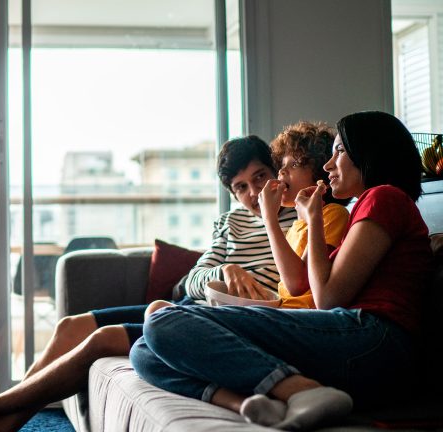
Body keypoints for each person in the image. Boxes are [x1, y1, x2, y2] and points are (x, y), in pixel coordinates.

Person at [0, 135, 298, 432]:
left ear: (275, 172)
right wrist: (220, 273)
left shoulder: (298, 219)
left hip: (219, 323)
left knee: (101, 339)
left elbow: (295, 285)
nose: (252, 194)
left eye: (259, 178)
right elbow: (185, 284)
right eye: (241, 188)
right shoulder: (229, 222)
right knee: (70, 325)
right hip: (191, 308)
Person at [129, 111, 434, 431]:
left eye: (340, 151)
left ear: (372, 151)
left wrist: (314, 219)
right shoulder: (363, 207)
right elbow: (313, 285)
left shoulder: (383, 197)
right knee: (144, 351)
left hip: (374, 341)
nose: (329, 165)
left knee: (163, 320)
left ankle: (301, 391)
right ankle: (267, 398)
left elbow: (327, 297)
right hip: (357, 341)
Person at [224, 121, 351, 307]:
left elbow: (296, 284)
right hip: (282, 310)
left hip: (301, 316)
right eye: (282, 165)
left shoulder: (332, 214)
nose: (281, 171)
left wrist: (269, 219)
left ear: (319, 176)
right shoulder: (295, 227)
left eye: (294, 164)